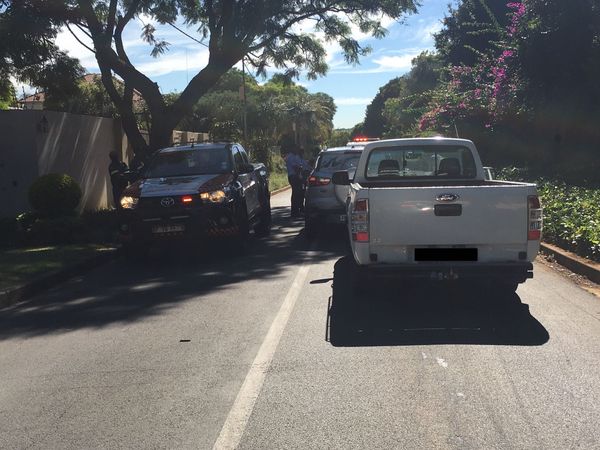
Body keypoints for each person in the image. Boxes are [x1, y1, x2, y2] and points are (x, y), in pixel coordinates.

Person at [285, 144, 310, 217]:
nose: (297, 150)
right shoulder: (290, 157)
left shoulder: (294, 156)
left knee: (298, 193)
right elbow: (296, 167)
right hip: (293, 176)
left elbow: (301, 165)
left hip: (296, 176)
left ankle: (297, 210)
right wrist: (300, 169)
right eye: (296, 148)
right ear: (293, 148)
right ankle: (294, 211)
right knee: (296, 194)